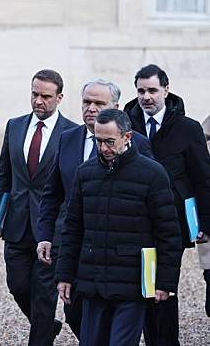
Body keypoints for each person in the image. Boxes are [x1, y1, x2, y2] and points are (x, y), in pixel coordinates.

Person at [35, 78, 153, 339]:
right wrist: (44, 235)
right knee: (74, 312)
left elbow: (152, 199)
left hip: (118, 251)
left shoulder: (139, 144)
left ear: (116, 107)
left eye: (99, 103)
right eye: (87, 102)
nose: (91, 108)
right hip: (75, 244)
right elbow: (52, 194)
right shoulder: (67, 139)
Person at [56, 109, 182, 345]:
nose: (104, 148)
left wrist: (164, 283)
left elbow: (168, 233)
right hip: (92, 282)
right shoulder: (85, 173)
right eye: (98, 141)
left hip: (131, 285)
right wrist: (65, 275)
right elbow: (72, 228)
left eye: (110, 141)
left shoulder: (153, 174)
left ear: (128, 137)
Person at [124, 64, 210, 346]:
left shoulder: (188, 128)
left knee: (163, 286)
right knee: (143, 286)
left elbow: (203, 179)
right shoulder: (126, 123)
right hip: (133, 220)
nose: (146, 97)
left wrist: (205, 224)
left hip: (170, 221)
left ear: (166, 89)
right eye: (141, 91)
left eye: (152, 90)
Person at [0, 69, 77, 345]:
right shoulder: (14, 126)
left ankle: (40, 335)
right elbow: (4, 174)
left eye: (46, 96)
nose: (38, 101)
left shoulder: (71, 133)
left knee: (43, 295)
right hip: (16, 223)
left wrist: (63, 226)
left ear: (59, 97)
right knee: (17, 286)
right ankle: (46, 326)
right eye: (34, 94)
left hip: (51, 229)